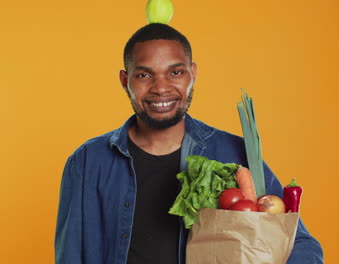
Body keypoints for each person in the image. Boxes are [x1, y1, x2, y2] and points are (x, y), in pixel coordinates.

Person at [55, 23, 324, 264]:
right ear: (125, 81)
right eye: (144, 75)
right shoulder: (88, 162)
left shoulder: (236, 154)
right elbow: (70, 256)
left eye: (175, 72)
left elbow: (300, 245)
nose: (161, 87)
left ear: (192, 74)